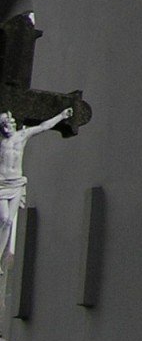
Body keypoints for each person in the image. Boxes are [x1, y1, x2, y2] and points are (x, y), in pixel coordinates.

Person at [0, 107, 72, 268]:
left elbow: (43, 127)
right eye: (3, 124)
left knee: (9, 222)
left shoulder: (22, 136)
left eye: (9, 123)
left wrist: (61, 116)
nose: (7, 127)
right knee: (3, 218)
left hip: (16, 183)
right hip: (2, 185)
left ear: (13, 124)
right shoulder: (1, 142)